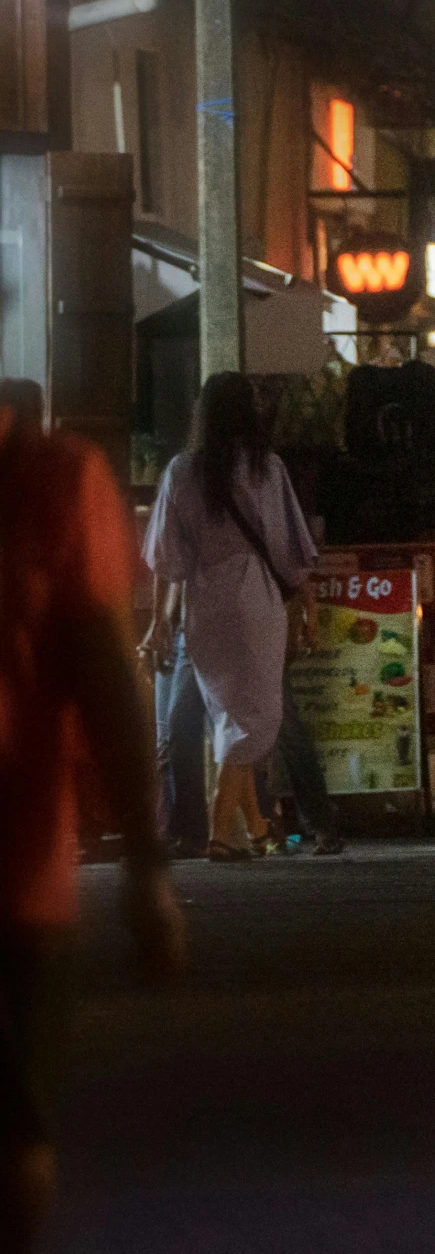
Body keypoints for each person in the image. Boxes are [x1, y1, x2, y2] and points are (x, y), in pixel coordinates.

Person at [1, 394, 186, 1254]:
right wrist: (145, 866)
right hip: (20, 876)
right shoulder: (52, 477)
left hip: (22, 873)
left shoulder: (51, 477)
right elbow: (105, 675)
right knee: (14, 1145)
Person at [139, 373, 318, 862]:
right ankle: (221, 833)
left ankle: (257, 828)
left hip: (204, 602)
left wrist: (159, 620)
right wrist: (306, 605)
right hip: (255, 598)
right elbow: (288, 547)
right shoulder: (267, 469)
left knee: (227, 714)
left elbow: (165, 558)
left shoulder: (180, 471)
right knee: (255, 715)